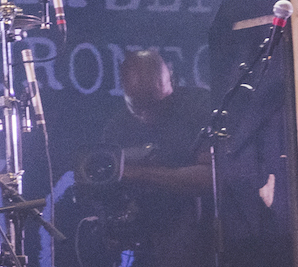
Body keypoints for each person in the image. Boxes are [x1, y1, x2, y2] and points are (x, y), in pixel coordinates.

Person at [68, 50, 213, 267]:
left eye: (155, 106)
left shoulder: (199, 107)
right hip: (145, 240)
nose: (147, 115)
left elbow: (210, 177)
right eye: (137, 107)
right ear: (124, 92)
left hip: (198, 237)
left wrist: (130, 172)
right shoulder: (117, 129)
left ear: (171, 80)